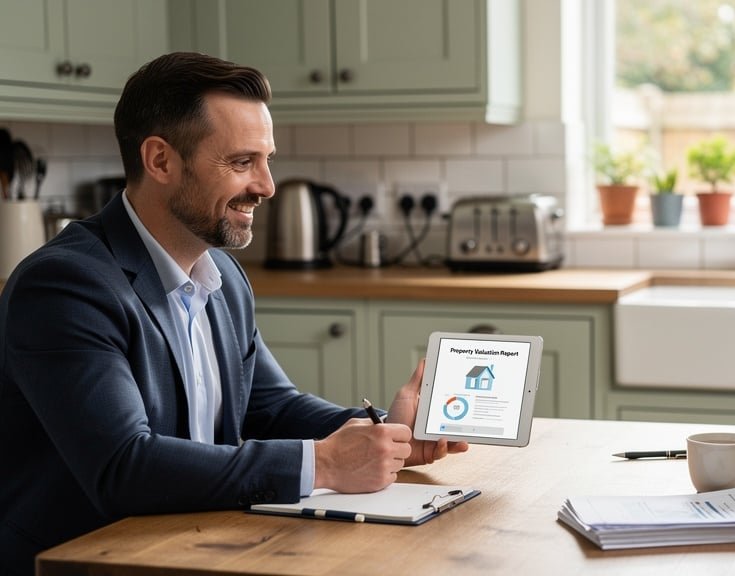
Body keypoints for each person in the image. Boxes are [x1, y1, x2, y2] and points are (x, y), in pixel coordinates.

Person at [0, 52, 468, 575]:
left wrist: (387, 433)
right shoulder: (65, 285)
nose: (266, 186)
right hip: (84, 560)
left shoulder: (220, 273)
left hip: (193, 545)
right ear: (160, 161)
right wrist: (326, 463)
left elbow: (270, 406)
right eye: (242, 163)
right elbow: (123, 466)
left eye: (266, 160)